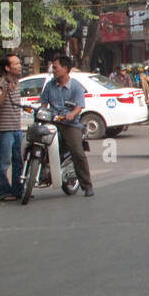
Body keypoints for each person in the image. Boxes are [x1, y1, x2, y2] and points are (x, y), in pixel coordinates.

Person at [38, 56, 94, 196]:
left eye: (55, 67)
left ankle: (87, 185)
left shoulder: (75, 86)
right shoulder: (49, 85)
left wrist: (72, 114)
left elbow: (79, 106)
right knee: (37, 142)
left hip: (70, 125)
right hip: (52, 123)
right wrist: (41, 112)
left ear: (65, 69)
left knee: (78, 153)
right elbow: (44, 104)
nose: (53, 70)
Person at [0, 53, 25, 202]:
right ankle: (5, 192)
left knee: (18, 161)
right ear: (7, 68)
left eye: (19, 63)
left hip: (17, 128)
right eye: (16, 64)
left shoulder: (18, 82)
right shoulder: (1, 83)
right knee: (5, 162)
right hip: (5, 130)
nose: (20, 66)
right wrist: (6, 91)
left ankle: (17, 190)